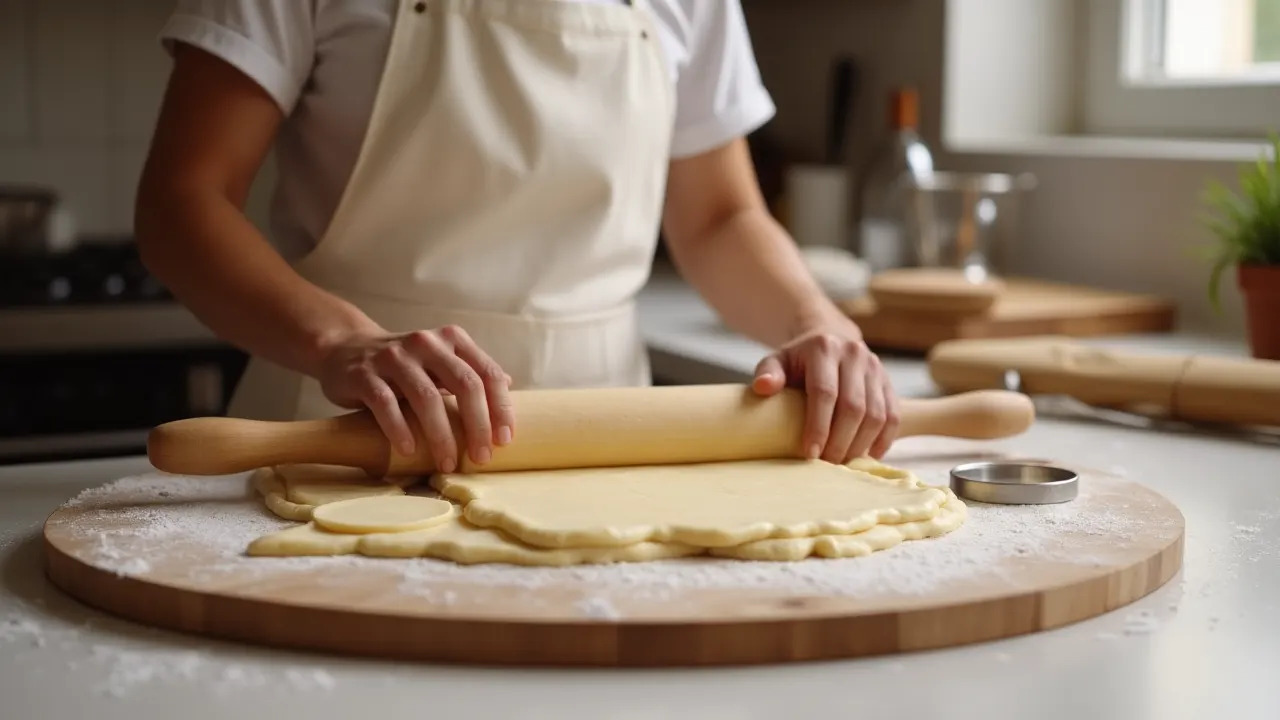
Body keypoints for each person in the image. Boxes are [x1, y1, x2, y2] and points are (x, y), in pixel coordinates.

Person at [136, 0, 900, 475]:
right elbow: (184, 200)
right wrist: (341, 342)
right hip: (348, 432)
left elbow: (718, 218)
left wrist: (818, 325)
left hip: (600, 449)